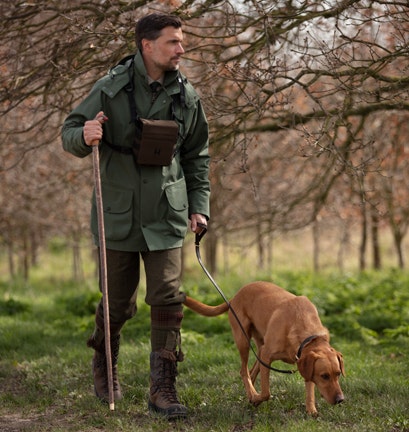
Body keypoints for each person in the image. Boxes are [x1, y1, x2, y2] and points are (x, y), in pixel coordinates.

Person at [61, 13, 210, 420]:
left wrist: (200, 206)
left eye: (181, 41)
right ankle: (105, 366)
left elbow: (197, 155)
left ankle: (163, 387)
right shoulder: (110, 88)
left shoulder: (187, 96)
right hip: (119, 214)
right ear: (147, 45)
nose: (181, 49)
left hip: (166, 213)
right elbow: (70, 130)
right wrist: (85, 134)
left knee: (167, 297)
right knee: (118, 302)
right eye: (173, 42)